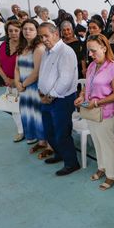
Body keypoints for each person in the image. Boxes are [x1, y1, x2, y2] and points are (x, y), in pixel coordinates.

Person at [74, 34, 114, 190]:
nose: (90, 54)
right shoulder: (92, 66)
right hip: (91, 112)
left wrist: (96, 102)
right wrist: (82, 97)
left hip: (106, 113)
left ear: (104, 48)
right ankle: (102, 167)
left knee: (108, 144)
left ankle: (112, 175)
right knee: (97, 141)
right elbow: (87, 87)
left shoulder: (113, 66)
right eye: (89, 51)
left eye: (93, 51)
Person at [37, 22, 80, 175]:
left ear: (56, 34)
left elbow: (65, 79)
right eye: (41, 36)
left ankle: (71, 163)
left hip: (61, 99)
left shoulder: (66, 52)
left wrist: (50, 95)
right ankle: (60, 154)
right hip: (46, 98)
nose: (43, 39)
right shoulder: (46, 52)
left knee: (62, 132)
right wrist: (41, 93)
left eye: (46, 36)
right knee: (49, 131)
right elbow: (43, 74)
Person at [14, 19, 49, 154]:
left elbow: (36, 72)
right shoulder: (21, 48)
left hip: (34, 87)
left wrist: (22, 84)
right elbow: (17, 68)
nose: (27, 31)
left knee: (38, 115)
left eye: (31, 29)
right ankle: (40, 142)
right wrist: (17, 83)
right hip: (23, 88)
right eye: (25, 29)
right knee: (28, 114)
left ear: (37, 32)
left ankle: (45, 142)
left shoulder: (39, 49)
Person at [0, 20, 24, 142]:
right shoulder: (2, 46)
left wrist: (15, 80)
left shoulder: (25, 47)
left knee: (25, 109)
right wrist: (6, 79)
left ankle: (30, 131)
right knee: (14, 109)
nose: (13, 33)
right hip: (9, 83)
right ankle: (20, 131)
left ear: (21, 31)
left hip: (22, 82)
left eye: (16, 30)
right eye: (10, 31)